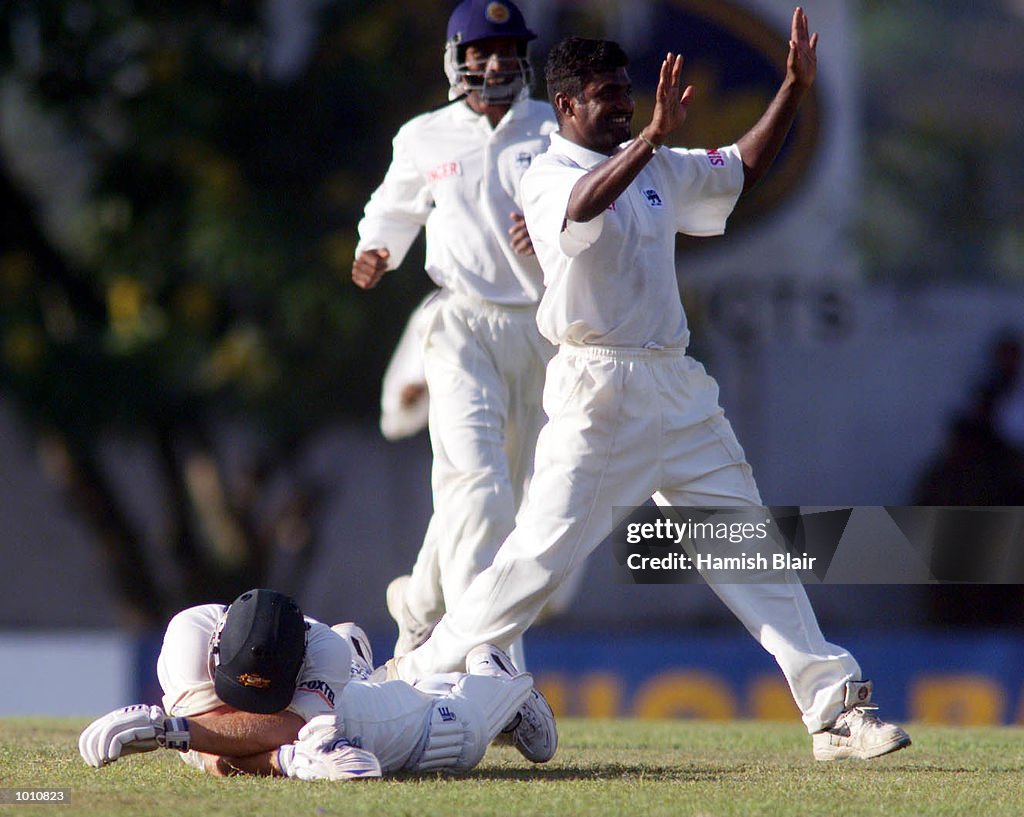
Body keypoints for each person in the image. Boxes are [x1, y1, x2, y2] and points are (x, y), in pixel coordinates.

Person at [386, 10, 912, 762]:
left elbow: (742, 167)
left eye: (626, 94)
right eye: (607, 95)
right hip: (596, 394)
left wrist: (792, 89)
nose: (625, 106)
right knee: (535, 563)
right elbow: (580, 210)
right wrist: (653, 138)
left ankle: (832, 709)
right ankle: (418, 676)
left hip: (676, 385)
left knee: (746, 548)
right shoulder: (547, 172)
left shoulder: (657, 164)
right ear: (566, 106)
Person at [351, 0, 557, 666]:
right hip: (462, 322)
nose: (494, 62)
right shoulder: (425, 137)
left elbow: (593, 210)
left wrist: (556, 229)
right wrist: (377, 247)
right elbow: (393, 206)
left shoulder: (552, 131)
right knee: (476, 486)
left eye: (506, 50)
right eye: (480, 52)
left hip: (542, 328)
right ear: (458, 60)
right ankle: (482, 658)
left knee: (510, 507)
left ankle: (418, 606)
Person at [78, 588, 556, 778]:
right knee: (355, 708)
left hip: (330, 697)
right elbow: (213, 750)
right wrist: (283, 761)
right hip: (322, 694)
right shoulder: (189, 634)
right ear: (217, 649)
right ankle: (360, 673)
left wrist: (172, 732)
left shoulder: (321, 646)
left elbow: (281, 730)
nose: (252, 706)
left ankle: (497, 681)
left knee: (457, 736)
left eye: (262, 695)